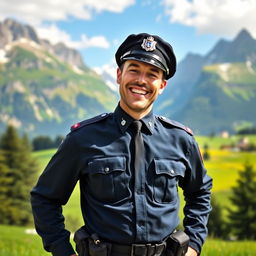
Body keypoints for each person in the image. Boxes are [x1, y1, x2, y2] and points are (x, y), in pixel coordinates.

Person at [31, 33, 212, 256]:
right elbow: (45, 198)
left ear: (162, 85)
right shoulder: (83, 138)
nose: (141, 81)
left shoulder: (181, 139)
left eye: (152, 74)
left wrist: (194, 244)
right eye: (134, 69)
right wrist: (63, 250)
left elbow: (200, 192)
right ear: (119, 75)